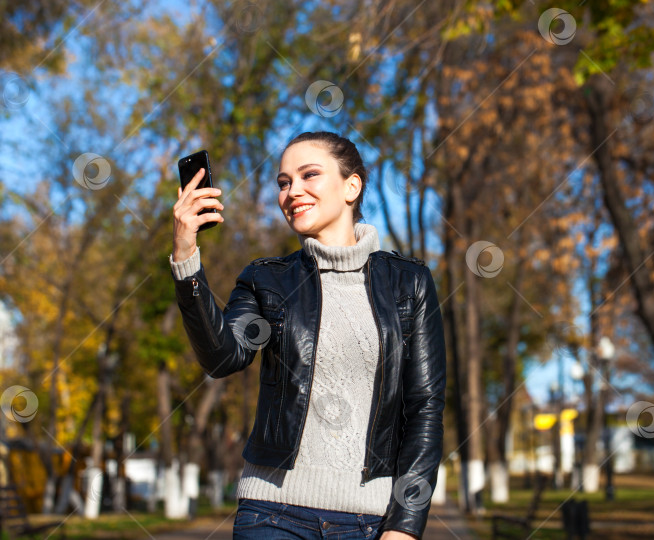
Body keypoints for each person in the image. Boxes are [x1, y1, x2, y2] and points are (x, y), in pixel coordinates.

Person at [169, 131, 446, 539]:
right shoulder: (266, 280)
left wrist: (406, 525)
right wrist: (185, 254)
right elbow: (223, 357)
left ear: (352, 186)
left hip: (371, 522)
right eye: (283, 182)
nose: (292, 191)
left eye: (308, 175)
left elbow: (425, 408)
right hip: (271, 516)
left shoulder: (410, 283)